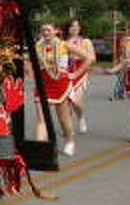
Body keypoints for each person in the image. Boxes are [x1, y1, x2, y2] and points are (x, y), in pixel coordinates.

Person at [33, 22, 77, 155]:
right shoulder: (37, 47)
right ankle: (40, 149)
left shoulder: (64, 45)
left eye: (48, 30)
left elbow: (89, 58)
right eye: (43, 30)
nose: (45, 32)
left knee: (63, 118)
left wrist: (76, 73)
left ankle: (70, 141)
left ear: (56, 31)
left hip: (60, 83)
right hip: (43, 83)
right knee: (41, 120)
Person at [63, 18, 96, 133]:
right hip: (66, 72)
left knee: (76, 101)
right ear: (68, 28)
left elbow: (92, 58)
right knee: (66, 102)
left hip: (80, 72)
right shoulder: (63, 42)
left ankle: (81, 118)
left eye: (77, 26)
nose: (75, 28)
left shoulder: (85, 41)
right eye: (72, 26)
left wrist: (80, 56)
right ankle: (68, 127)